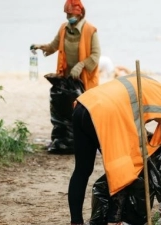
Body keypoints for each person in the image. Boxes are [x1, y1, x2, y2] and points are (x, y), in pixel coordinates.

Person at [68, 74, 161, 225]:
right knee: (124, 168)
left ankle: (76, 222)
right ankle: (114, 220)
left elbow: (128, 109)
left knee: (82, 170)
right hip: (104, 115)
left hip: (84, 105)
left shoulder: (150, 82)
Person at [31, 0, 100, 154]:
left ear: (80, 13)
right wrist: (40, 47)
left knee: (86, 112)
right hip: (68, 79)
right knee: (66, 111)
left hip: (84, 80)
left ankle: (87, 143)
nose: (69, 16)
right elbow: (54, 46)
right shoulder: (64, 28)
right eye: (67, 14)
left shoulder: (90, 31)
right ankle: (66, 142)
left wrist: (81, 65)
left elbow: (96, 55)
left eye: (71, 13)